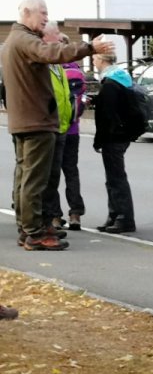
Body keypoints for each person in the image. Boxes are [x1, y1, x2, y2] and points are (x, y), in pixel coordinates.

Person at [2, 0, 112, 251]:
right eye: (42, 13)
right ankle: (33, 232)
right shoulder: (26, 40)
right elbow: (51, 53)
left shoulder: (14, 40)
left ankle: (30, 228)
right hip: (36, 122)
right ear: (26, 13)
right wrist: (89, 48)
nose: (46, 17)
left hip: (27, 120)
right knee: (34, 180)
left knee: (27, 177)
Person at [92, 53, 137, 233]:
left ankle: (123, 217)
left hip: (114, 136)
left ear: (102, 60)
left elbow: (107, 115)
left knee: (116, 178)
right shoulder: (122, 78)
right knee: (114, 177)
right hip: (123, 133)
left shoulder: (109, 84)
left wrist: (99, 140)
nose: (93, 61)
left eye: (95, 58)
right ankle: (115, 215)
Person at [40, 22, 74, 232]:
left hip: (61, 127)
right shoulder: (42, 65)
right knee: (43, 179)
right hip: (47, 127)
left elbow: (65, 97)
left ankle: (51, 220)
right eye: (56, 35)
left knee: (53, 178)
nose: (61, 39)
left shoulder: (58, 66)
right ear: (46, 38)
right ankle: (45, 221)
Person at [61, 42, 88, 231]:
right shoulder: (77, 71)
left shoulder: (53, 70)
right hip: (73, 129)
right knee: (71, 171)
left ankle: (54, 216)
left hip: (56, 129)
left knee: (52, 175)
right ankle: (75, 213)